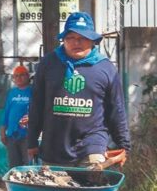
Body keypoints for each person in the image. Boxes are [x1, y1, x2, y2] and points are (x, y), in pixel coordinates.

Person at [27, 11, 131, 167]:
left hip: (92, 144)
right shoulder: (48, 64)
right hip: (53, 148)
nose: (77, 42)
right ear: (64, 39)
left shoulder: (106, 68)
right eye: (71, 38)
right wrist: (32, 141)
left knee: (93, 177)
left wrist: (124, 146)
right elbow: (36, 104)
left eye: (83, 38)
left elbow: (117, 109)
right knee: (53, 183)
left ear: (92, 40)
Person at [0, 64, 32, 191]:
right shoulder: (12, 93)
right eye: (16, 76)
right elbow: (6, 112)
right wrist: (3, 130)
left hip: (28, 135)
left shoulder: (33, 91)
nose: (19, 78)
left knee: (29, 165)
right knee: (13, 166)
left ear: (28, 76)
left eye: (22, 75)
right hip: (12, 135)